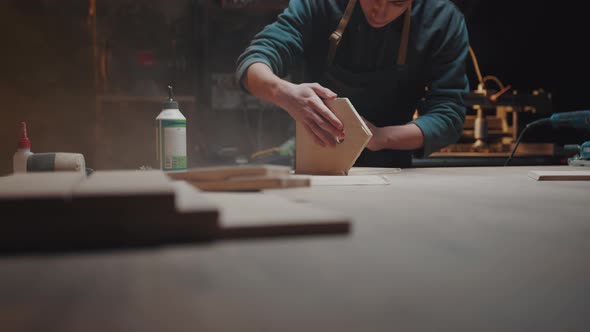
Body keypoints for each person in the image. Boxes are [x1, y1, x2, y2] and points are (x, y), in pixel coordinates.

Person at [236, 0, 469, 168]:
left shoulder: (442, 20)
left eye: (397, 2)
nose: (381, 10)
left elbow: (449, 115)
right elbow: (256, 60)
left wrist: (378, 137)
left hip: (393, 170)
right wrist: (282, 92)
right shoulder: (321, 4)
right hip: (315, 165)